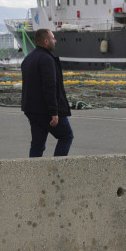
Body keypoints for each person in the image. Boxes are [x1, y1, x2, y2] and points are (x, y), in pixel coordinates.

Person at [20, 28, 73, 157]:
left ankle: (35, 174)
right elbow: (50, 87)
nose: (55, 41)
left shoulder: (28, 59)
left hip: (31, 110)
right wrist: (54, 112)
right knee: (66, 136)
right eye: (53, 38)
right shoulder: (47, 59)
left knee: (37, 144)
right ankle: (57, 169)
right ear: (46, 41)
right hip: (46, 111)